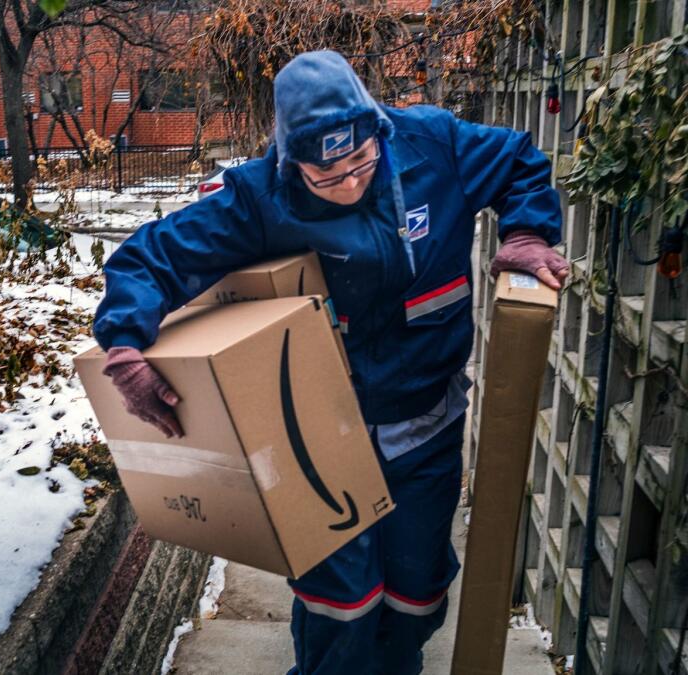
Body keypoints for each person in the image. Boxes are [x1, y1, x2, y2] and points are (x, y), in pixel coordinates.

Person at [92, 50, 568, 674]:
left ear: (379, 131)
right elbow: (153, 257)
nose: (349, 181)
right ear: (293, 163)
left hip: (425, 423)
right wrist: (125, 345)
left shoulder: (434, 145)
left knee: (417, 595)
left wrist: (528, 232)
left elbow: (520, 163)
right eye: (326, 174)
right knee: (340, 603)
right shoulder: (261, 197)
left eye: (361, 161)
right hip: (316, 437)